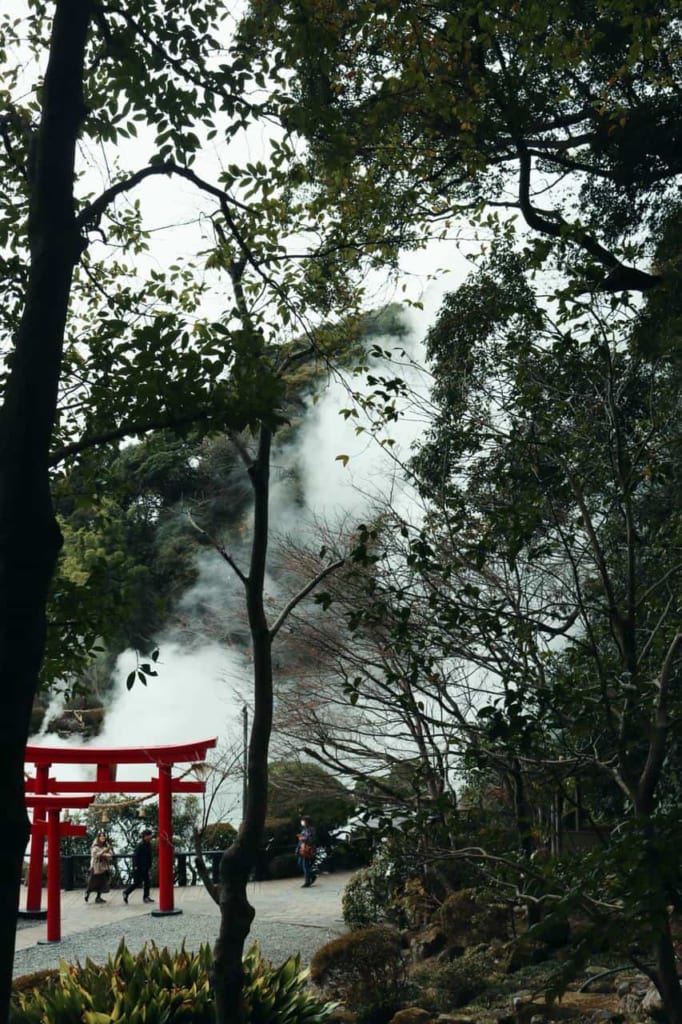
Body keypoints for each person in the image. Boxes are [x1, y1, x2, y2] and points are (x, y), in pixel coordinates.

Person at [123, 829, 155, 904]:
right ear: (144, 836)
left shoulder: (149, 844)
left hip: (146, 866)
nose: (150, 837)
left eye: (150, 835)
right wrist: (135, 866)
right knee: (137, 882)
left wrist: (150, 864)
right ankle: (126, 892)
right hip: (139, 867)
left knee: (147, 882)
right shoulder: (140, 845)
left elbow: (150, 856)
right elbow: (135, 856)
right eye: (148, 835)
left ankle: (146, 897)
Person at [84, 831, 113, 904]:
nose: (103, 837)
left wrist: (105, 854)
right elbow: (96, 855)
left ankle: (98, 897)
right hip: (96, 866)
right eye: (101, 836)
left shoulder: (106, 845)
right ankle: (87, 892)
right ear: (98, 837)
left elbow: (110, 854)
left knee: (102, 882)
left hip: (104, 866)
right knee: (93, 881)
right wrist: (104, 852)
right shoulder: (95, 846)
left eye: (104, 836)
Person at [296, 816, 317, 888]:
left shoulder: (311, 829)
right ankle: (312, 875)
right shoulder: (304, 829)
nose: (302, 822)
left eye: (304, 821)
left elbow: (311, 839)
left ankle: (307, 881)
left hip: (307, 849)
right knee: (300, 864)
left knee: (305, 865)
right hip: (302, 848)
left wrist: (302, 838)